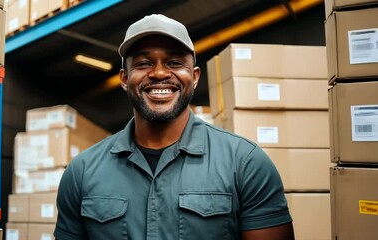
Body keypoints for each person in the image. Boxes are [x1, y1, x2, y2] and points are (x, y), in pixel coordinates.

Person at [54, 14, 295, 240]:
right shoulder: (82, 172)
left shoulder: (246, 163)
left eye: (174, 62)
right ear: (125, 79)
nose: (159, 73)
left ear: (195, 76)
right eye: (143, 63)